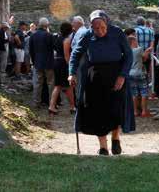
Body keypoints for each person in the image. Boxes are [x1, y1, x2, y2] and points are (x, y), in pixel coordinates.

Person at [69, 10, 135, 156]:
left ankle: (116, 138)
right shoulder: (87, 35)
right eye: (96, 28)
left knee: (116, 109)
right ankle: (103, 147)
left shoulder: (117, 33)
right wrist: (71, 73)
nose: (99, 31)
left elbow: (128, 56)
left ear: (107, 23)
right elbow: (76, 53)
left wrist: (122, 76)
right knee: (98, 111)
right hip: (95, 77)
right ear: (91, 27)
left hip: (116, 75)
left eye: (102, 27)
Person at [125, 28, 152, 118]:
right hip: (140, 73)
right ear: (133, 42)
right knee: (144, 92)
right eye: (136, 41)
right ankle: (144, 111)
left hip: (130, 73)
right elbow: (144, 59)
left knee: (134, 93)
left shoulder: (126, 51)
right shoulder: (139, 49)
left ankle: (135, 111)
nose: (137, 42)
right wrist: (147, 51)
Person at [30, 18, 56, 108]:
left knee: (37, 84)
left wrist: (34, 61)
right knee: (51, 84)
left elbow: (31, 51)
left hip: (38, 62)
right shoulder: (49, 35)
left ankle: (36, 102)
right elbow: (54, 47)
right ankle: (51, 103)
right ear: (47, 25)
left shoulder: (33, 36)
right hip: (49, 63)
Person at [50, 21, 75, 114]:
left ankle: (52, 106)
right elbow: (66, 55)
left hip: (57, 62)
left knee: (58, 86)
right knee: (68, 86)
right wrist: (71, 67)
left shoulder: (58, 38)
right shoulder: (67, 40)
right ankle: (72, 107)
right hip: (63, 64)